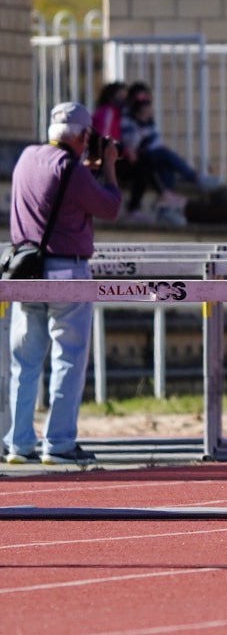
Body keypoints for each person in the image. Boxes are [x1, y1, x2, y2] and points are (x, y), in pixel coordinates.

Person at [6, 102, 122, 465]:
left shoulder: (26, 157)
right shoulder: (73, 171)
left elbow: (54, 184)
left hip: (26, 271)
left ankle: (17, 443)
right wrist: (111, 168)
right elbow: (111, 207)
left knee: (24, 362)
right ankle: (58, 444)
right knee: (68, 359)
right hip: (66, 271)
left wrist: (86, 170)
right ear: (84, 136)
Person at [120, 81, 220, 225]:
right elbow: (131, 144)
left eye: (147, 100)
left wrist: (145, 122)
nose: (145, 104)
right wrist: (140, 122)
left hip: (150, 157)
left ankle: (166, 211)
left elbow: (155, 142)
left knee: (166, 164)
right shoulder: (126, 117)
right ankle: (196, 178)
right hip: (134, 160)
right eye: (140, 100)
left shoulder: (149, 119)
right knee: (163, 155)